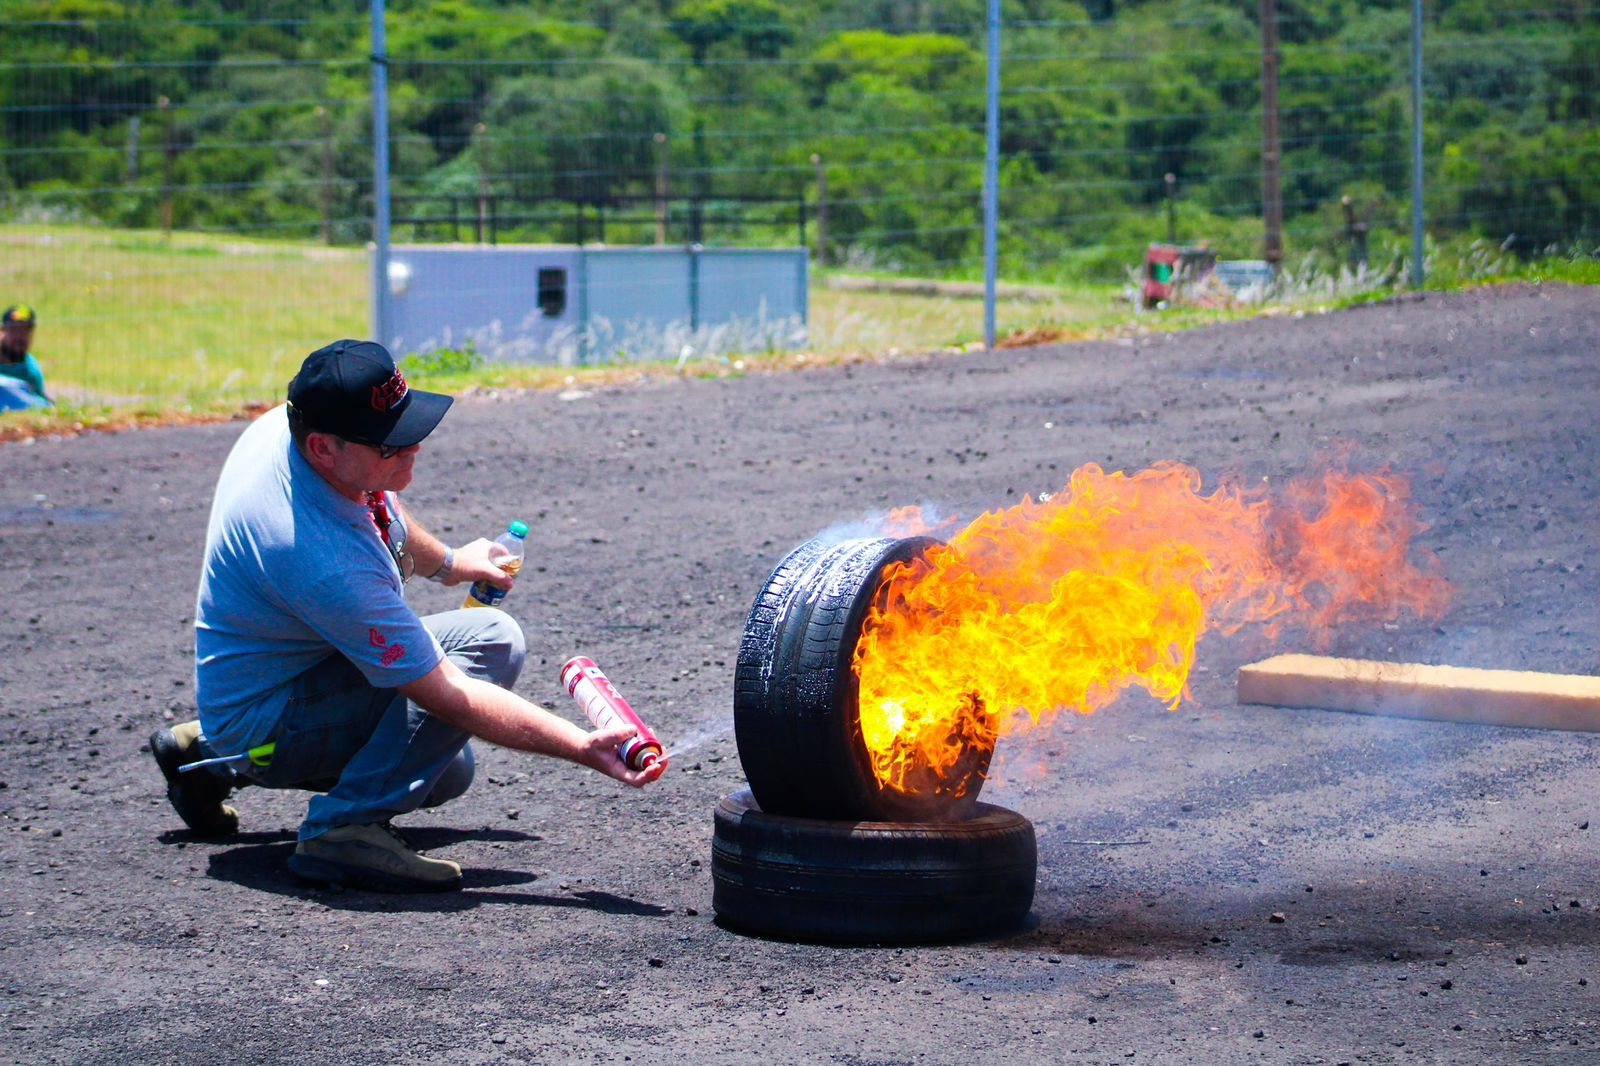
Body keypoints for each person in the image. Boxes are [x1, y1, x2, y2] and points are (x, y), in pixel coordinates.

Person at [150, 339, 664, 893]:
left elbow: (379, 503)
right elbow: (446, 693)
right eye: (393, 444)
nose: (413, 446)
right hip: (268, 715)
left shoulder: (292, 429)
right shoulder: (320, 555)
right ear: (324, 447)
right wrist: (581, 746)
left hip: (270, 682)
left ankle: (207, 754)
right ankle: (338, 831)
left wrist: (449, 563)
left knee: (447, 762)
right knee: (485, 662)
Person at [0, 304, 50, 408]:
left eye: (25, 331)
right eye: (14, 330)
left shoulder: (30, 371)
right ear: (2, 331)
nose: (20, 337)